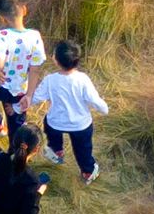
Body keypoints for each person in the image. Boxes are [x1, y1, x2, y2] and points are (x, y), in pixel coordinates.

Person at [30, 38, 108, 182]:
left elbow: (36, 98)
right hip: (81, 124)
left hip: (56, 123)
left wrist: (24, 102)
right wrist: (104, 109)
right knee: (83, 149)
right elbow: (94, 99)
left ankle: (56, 151)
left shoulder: (50, 80)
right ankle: (88, 172)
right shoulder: (83, 79)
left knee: (49, 125)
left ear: (56, 61)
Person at [0, 0, 45, 140]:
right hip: (18, 91)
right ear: (24, 10)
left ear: (2, 17)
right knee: (17, 124)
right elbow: (35, 69)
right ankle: (15, 154)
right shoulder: (35, 36)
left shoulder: (1, 36)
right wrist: (29, 95)